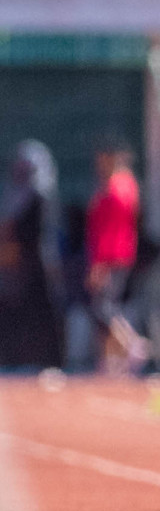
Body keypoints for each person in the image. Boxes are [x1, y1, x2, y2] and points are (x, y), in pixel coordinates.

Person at [85, 138, 149, 373]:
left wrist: (98, 265)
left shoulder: (115, 188)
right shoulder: (127, 184)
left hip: (111, 255)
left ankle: (132, 344)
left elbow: (108, 228)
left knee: (104, 307)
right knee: (109, 305)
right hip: (121, 253)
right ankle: (112, 359)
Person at [0, 141, 65, 369]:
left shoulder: (41, 197)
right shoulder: (13, 196)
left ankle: (47, 362)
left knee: (42, 314)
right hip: (13, 271)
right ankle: (16, 360)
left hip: (39, 266)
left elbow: (35, 236)